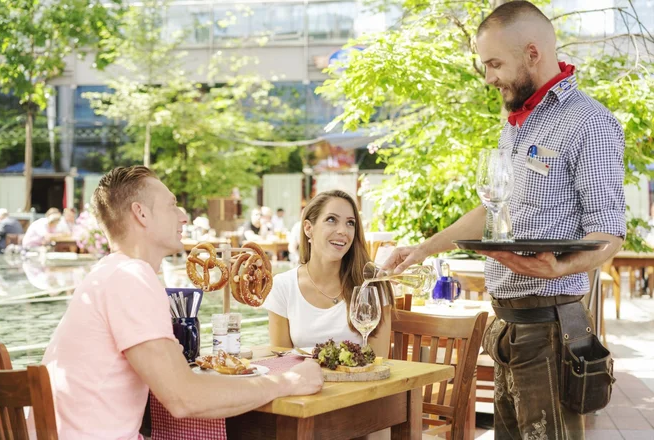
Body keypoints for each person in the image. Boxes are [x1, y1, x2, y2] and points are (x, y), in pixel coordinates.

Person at [383, 2, 625, 439]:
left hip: (551, 333)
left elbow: (609, 233)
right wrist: (421, 250)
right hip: (507, 327)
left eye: (495, 63)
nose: (489, 76)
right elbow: (494, 210)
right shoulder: (516, 124)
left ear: (533, 53)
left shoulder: (591, 123)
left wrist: (561, 267)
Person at [32, 166, 322, 439]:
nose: (183, 217)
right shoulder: (130, 277)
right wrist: (288, 382)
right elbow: (184, 398)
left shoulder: (105, 274)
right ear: (141, 214)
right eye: (172, 206)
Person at [263, 190, 393, 358]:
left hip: (360, 383)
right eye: (331, 220)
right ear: (308, 228)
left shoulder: (373, 284)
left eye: (350, 223)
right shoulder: (282, 287)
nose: (343, 231)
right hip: (303, 383)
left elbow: (378, 361)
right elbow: (281, 361)